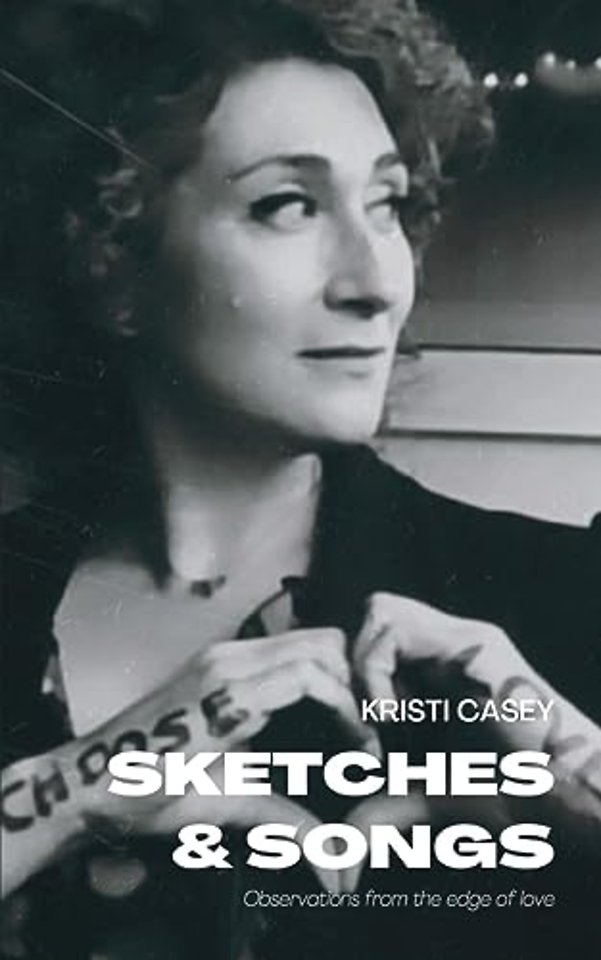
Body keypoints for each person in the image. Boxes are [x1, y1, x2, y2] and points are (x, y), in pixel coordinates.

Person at [1, 1, 600, 958]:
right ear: (110, 258)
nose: (376, 284)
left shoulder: (556, 607)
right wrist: (75, 789)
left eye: (387, 205)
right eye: (287, 205)